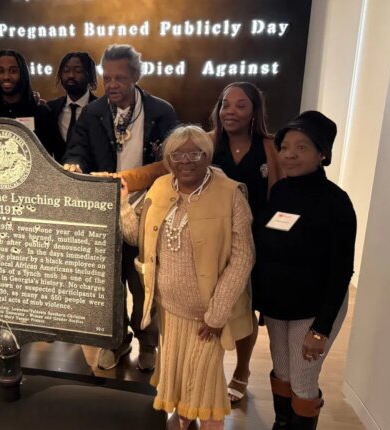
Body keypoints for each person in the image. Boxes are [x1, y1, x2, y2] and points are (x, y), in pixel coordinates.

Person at [117, 82, 283, 401]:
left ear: (254, 112)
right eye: (225, 105)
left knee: (243, 308)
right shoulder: (203, 142)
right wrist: (123, 182)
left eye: (240, 105)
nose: (231, 111)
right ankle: (191, 395)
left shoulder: (270, 147)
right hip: (210, 240)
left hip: (255, 237)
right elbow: (162, 169)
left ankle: (242, 370)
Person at [119, 125, 254, 430]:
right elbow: (134, 237)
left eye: (195, 153)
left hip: (208, 318)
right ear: (168, 159)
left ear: (207, 156)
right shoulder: (160, 187)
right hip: (170, 311)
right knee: (181, 383)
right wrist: (125, 205)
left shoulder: (230, 193)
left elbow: (243, 258)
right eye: (177, 155)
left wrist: (217, 315)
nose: (186, 161)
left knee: (205, 390)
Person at [63, 44, 177, 371]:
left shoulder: (162, 112)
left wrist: (127, 179)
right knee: (108, 287)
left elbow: (170, 163)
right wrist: (73, 166)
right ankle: (115, 341)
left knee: (143, 283)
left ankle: (147, 342)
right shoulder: (93, 112)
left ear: (136, 76)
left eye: (120, 78)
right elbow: (77, 151)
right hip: (104, 215)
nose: (112, 84)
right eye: (107, 77)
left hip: (149, 213)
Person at [252, 111, 356, 430]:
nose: (290, 155)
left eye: (302, 147)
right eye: (285, 147)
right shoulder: (280, 192)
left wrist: (321, 329)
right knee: (281, 372)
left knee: (303, 378)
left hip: (312, 311)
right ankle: (282, 425)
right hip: (278, 307)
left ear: (322, 153)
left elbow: (341, 271)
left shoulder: (336, 203)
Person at [0, 49, 62, 160]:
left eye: (13, 71)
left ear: (23, 74)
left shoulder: (41, 112)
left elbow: (57, 154)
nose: (6, 76)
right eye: (1, 71)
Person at [46, 52, 98, 153]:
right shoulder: (51, 108)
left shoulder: (101, 109)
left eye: (78, 70)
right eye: (66, 70)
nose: (71, 75)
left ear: (89, 75)